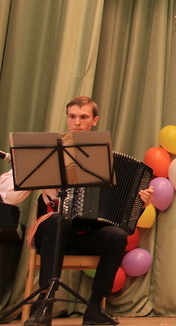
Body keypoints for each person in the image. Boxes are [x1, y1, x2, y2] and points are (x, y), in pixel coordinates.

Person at [0, 96, 154, 326]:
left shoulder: (105, 159)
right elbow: (6, 195)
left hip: (85, 234)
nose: (77, 122)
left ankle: (95, 308)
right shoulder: (47, 153)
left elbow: (121, 210)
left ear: (94, 120)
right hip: (51, 231)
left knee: (116, 236)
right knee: (59, 220)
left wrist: (140, 203)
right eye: (72, 116)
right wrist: (28, 175)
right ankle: (44, 304)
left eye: (83, 117)